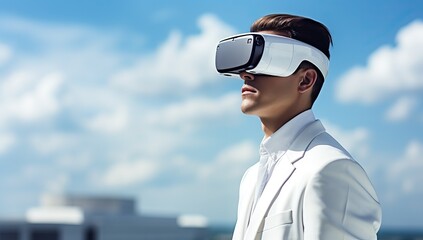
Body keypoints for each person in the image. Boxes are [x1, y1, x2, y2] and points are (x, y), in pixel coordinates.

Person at [215, 14, 382, 239]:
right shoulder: (251, 177)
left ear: (306, 80)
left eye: (266, 61)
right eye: (246, 63)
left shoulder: (330, 169)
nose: (246, 74)